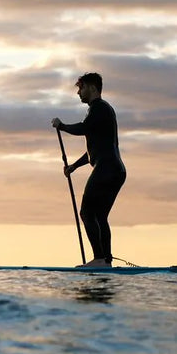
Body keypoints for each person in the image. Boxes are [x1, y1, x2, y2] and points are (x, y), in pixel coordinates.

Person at [51, 72, 127, 267]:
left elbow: (83, 128)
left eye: (81, 88)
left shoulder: (99, 108)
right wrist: (74, 167)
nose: (78, 93)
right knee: (99, 215)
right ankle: (106, 261)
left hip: (107, 169)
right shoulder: (101, 110)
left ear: (92, 88)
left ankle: (100, 259)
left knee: (86, 213)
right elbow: (93, 150)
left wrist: (62, 126)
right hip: (115, 170)